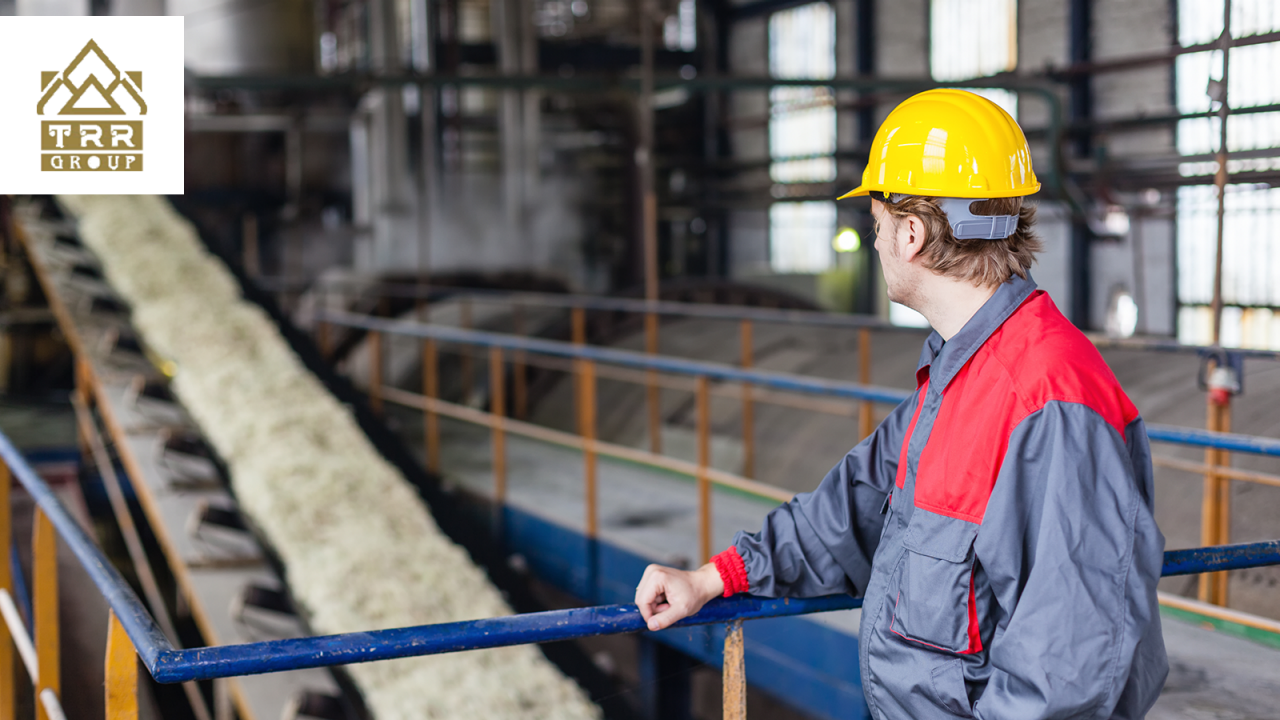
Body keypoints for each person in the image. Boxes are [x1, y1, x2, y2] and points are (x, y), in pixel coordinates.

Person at [633, 89, 1168, 719]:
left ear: (911, 233)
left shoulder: (1047, 403)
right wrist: (713, 579)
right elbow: (849, 508)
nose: (878, 242)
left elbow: (1064, 676)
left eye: (879, 225)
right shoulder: (957, 372)